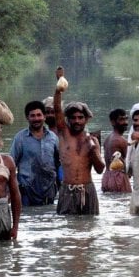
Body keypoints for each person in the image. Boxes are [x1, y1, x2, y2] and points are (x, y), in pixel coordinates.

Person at [53, 66, 105, 215]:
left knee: (89, 231)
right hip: (67, 190)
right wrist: (58, 87)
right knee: (66, 232)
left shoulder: (93, 140)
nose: (77, 121)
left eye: (80, 118)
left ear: (86, 120)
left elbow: (100, 169)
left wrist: (93, 151)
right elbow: (57, 110)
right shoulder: (64, 134)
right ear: (68, 119)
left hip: (87, 190)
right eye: (73, 118)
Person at [10, 100, 60, 206]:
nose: (36, 119)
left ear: (44, 117)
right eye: (32, 116)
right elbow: (11, 165)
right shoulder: (20, 138)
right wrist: (10, 189)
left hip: (49, 190)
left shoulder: (53, 138)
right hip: (26, 191)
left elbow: (59, 163)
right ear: (27, 118)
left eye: (39, 115)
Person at [101, 108, 132, 193]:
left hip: (107, 177)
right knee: (124, 203)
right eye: (121, 119)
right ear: (113, 122)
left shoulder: (108, 138)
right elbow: (130, 163)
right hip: (118, 178)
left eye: (126, 119)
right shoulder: (120, 140)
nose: (125, 122)